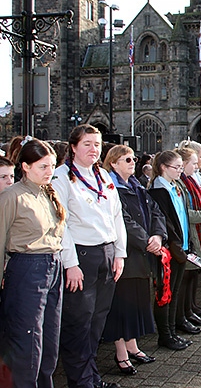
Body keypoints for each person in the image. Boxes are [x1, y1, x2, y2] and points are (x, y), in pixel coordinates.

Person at [52, 124, 127, 388]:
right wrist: (71, 263)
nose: (94, 149)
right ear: (73, 147)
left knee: (97, 322)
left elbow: (116, 216)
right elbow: (61, 225)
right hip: (82, 257)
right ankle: (81, 382)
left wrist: (120, 253)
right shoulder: (61, 178)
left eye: (97, 144)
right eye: (87, 144)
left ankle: (92, 377)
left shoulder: (104, 176)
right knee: (78, 324)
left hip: (106, 255)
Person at [0, 139, 66, 388]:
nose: (50, 171)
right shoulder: (11, 197)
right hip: (27, 268)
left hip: (53, 266)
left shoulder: (49, 193)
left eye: (51, 166)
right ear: (25, 167)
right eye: (43, 167)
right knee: (28, 343)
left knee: (49, 340)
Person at [102, 146, 166, 375]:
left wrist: (158, 236)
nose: (132, 162)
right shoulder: (112, 189)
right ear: (113, 163)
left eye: (134, 159)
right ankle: (121, 352)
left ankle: (133, 346)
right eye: (127, 159)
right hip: (126, 255)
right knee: (122, 305)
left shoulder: (137, 186)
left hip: (142, 255)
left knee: (137, 302)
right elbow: (124, 221)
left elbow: (156, 211)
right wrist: (147, 240)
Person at [147, 150, 192, 351]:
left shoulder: (175, 187)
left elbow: (182, 217)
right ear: (164, 167)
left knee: (174, 291)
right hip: (169, 250)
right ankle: (165, 334)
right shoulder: (158, 191)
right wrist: (174, 245)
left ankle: (172, 331)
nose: (180, 172)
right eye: (177, 168)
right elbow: (165, 222)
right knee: (165, 293)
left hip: (181, 247)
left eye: (182, 168)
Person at [175, 147, 201, 334]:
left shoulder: (191, 180)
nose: (199, 163)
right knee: (185, 278)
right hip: (190, 234)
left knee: (192, 276)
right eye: (194, 161)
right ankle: (182, 315)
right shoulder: (182, 183)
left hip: (197, 232)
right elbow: (185, 212)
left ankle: (190, 308)